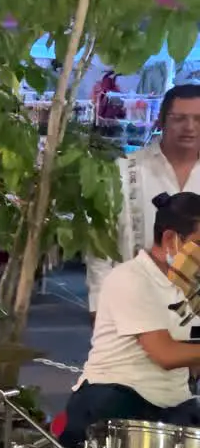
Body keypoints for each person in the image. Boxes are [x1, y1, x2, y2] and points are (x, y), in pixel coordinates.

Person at [57, 192, 200, 448]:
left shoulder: (188, 283)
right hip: (113, 403)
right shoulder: (130, 279)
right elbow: (166, 352)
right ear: (172, 239)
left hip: (170, 402)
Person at [88, 84, 200, 320]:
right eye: (179, 118)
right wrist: (98, 304)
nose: (190, 127)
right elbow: (100, 243)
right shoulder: (124, 170)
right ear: (161, 120)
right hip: (134, 304)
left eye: (198, 119)